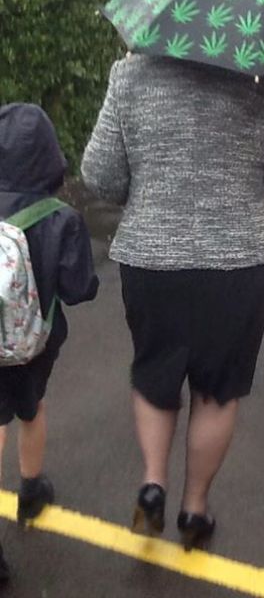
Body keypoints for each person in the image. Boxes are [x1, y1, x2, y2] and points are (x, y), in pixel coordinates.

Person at [81, 56, 264, 549]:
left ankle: (151, 484)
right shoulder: (263, 78)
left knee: (154, 371)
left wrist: (148, 186)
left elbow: (100, 176)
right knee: (217, 390)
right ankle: (194, 510)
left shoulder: (129, 74)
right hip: (239, 263)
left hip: (151, 258)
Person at [0, 104, 98, 580]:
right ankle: (31, 489)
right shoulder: (60, 218)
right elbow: (80, 290)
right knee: (30, 409)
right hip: (34, 345)